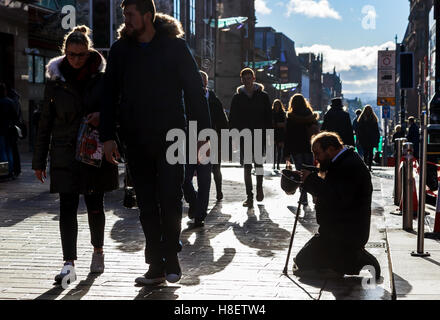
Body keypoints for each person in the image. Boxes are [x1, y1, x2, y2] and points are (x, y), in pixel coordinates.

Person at [99, 0, 211, 286]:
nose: (125, 20)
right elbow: (109, 93)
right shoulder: (121, 50)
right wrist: (108, 136)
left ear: (147, 16)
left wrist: (202, 136)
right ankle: (155, 265)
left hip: (173, 134)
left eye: (130, 14)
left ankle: (171, 257)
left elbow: (194, 93)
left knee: (171, 197)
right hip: (135, 137)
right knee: (147, 202)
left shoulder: (174, 46)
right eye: (124, 14)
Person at [32, 26, 119, 285]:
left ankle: (98, 250)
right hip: (65, 152)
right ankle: (68, 262)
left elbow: (117, 109)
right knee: (67, 207)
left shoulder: (102, 79)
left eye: (81, 54)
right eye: (71, 54)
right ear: (64, 52)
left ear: (89, 51)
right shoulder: (55, 81)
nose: (76, 59)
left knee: (95, 206)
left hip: (93, 152)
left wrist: (103, 118)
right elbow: (45, 122)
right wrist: (38, 161)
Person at [293, 132, 380, 279]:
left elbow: (336, 196)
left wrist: (311, 181)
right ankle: (348, 257)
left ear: (331, 149)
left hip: (344, 233)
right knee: (302, 261)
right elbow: (332, 186)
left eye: (317, 153)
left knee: (304, 264)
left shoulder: (349, 166)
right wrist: (308, 177)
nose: (316, 158)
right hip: (335, 230)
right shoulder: (342, 161)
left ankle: (355, 257)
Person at [229, 68, 272, 208]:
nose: (247, 81)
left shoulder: (263, 96)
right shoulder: (237, 97)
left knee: (259, 164)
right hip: (244, 136)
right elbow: (233, 118)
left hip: (259, 134)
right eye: (244, 78)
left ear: (254, 78)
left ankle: (259, 188)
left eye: (249, 78)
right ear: (242, 80)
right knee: (247, 167)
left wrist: (269, 135)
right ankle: (249, 196)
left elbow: (268, 117)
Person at [284, 94, 319, 206]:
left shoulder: (291, 117)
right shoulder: (310, 115)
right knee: (310, 173)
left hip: (296, 148)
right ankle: (314, 194)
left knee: (300, 173)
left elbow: (288, 136)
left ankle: (303, 197)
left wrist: (287, 153)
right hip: (309, 148)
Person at [200, 71, 228, 202]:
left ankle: (218, 191)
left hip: (213, 137)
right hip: (196, 138)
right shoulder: (191, 97)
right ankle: (201, 194)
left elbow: (222, 120)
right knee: (199, 168)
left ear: (206, 82)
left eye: (202, 79)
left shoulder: (213, 99)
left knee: (216, 167)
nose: (200, 82)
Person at [7, 85, 26, 177]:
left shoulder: (12, 101)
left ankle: (12, 169)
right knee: (14, 150)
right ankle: (15, 169)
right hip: (14, 128)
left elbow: (15, 115)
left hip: (11, 129)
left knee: (12, 150)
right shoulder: (16, 100)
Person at [0, 82, 18, 178]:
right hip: (9, 130)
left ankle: (3, 172)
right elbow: (15, 116)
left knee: (2, 152)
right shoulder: (10, 101)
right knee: (8, 151)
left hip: (1, 130)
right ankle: (10, 171)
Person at [357, 105, 380, 171]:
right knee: (370, 153)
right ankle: (369, 166)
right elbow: (376, 131)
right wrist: (377, 139)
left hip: (364, 139)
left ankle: (365, 166)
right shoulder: (373, 118)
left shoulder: (361, 118)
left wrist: (359, 138)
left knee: (365, 153)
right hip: (371, 139)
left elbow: (359, 130)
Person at [271, 99, 286, 171]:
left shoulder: (282, 113)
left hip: (280, 133)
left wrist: (277, 124)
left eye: (278, 105)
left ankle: (277, 164)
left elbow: (284, 124)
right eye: (275, 105)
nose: (277, 106)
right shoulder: (271, 112)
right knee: (273, 150)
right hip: (273, 133)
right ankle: (274, 164)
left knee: (279, 150)